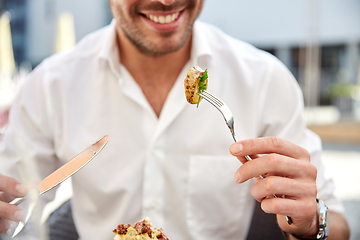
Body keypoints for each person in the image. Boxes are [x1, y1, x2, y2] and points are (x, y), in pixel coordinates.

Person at [0, 0, 350, 239]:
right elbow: (16, 207)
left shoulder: (265, 80)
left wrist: (312, 221)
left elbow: (337, 224)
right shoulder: (50, 86)